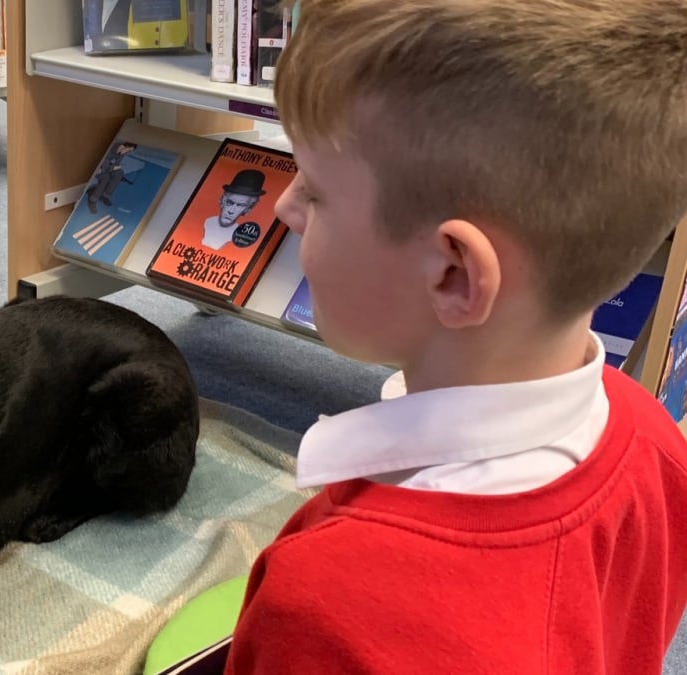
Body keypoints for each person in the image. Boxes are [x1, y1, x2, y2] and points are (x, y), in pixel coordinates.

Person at [221, 1, 687, 673]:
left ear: (453, 274)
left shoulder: (331, 603)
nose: (283, 205)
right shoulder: (658, 443)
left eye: (316, 193)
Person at [201, 170, 265, 250]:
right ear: (222, 201)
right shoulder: (207, 222)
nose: (231, 211)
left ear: (248, 209)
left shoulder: (240, 235)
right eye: (230, 202)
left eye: (240, 205)